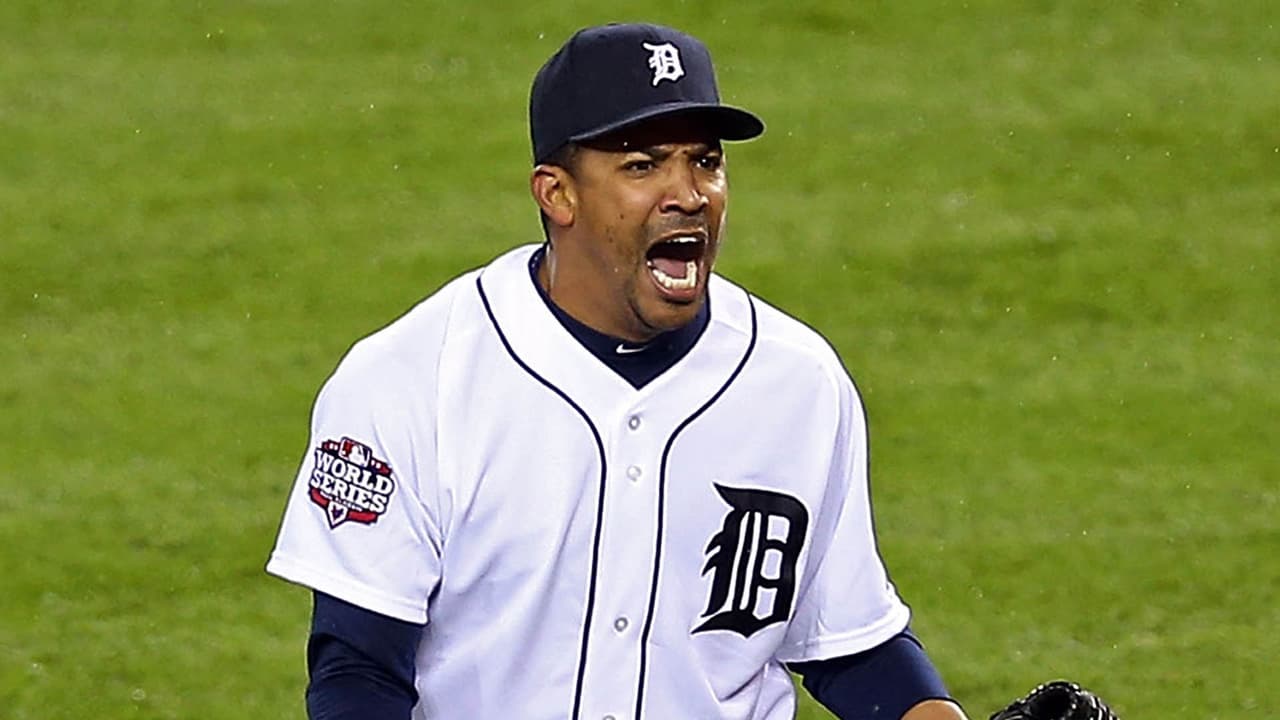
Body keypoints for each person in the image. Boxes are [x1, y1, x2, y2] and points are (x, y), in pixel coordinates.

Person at [267, 22, 970, 720]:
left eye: (705, 161)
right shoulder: (414, 379)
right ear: (557, 194)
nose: (688, 194)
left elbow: (849, 646)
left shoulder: (799, 383)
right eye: (643, 165)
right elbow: (359, 670)